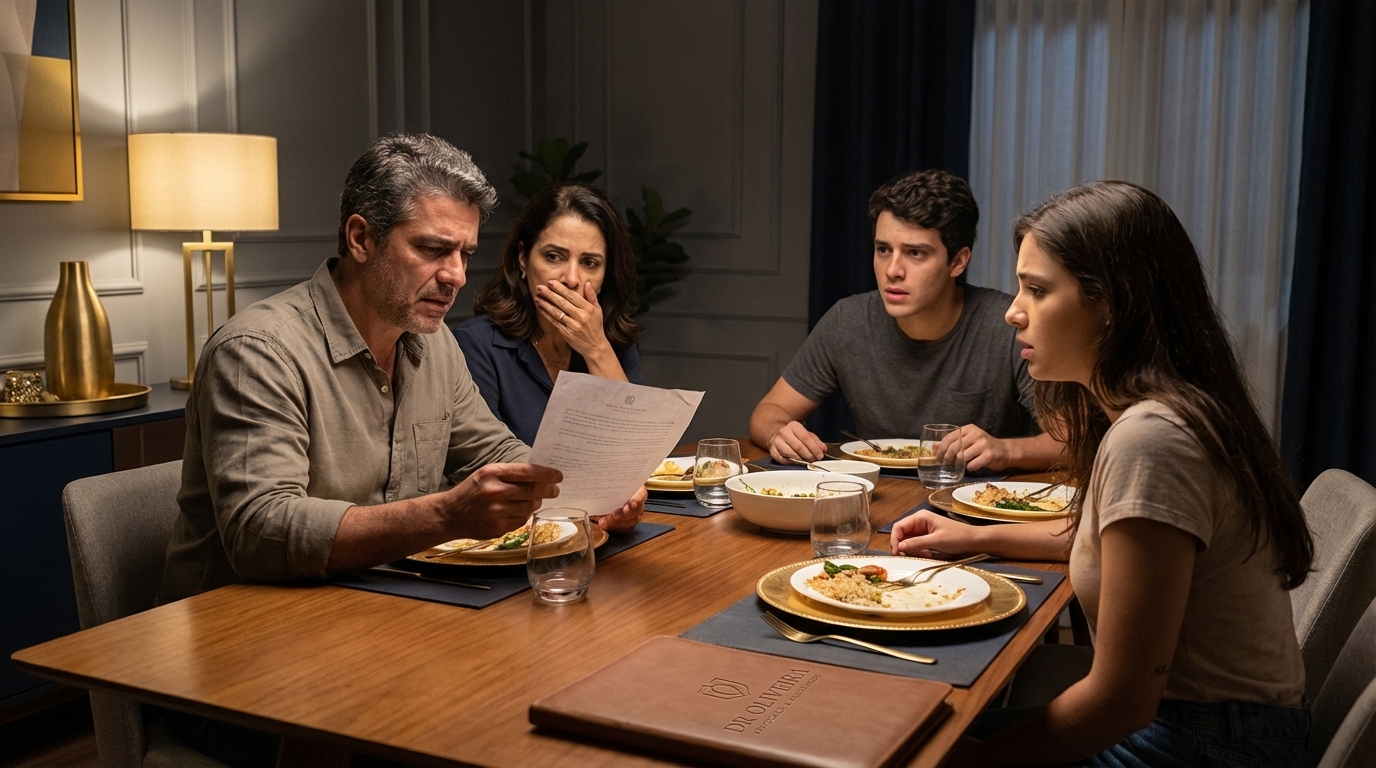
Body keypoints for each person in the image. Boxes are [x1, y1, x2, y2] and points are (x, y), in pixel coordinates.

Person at [891, 181, 1313, 766]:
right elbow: (1109, 546)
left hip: (1203, 743)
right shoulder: (1160, 412)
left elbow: (1121, 701)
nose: (1013, 312)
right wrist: (973, 537)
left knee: (916, 747)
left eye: (1037, 290)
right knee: (924, 733)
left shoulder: (1152, 439)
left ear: (1111, 304)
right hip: (1220, 725)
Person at [160, 135, 644, 607]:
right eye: (433, 250)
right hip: (243, 631)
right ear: (361, 238)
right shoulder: (258, 351)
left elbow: (496, 451)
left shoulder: (433, 343)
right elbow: (261, 532)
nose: (456, 274)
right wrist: (445, 515)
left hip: (379, 605)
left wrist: (591, 490)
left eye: (465, 254)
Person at [748, 169, 1061, 471]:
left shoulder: (1008, 325)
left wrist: (1006, 450)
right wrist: (779, 432)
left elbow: (1073, 444)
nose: (892, 270)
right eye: (883, 249)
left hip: (977, 509)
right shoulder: (848, 320)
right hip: (877, 499)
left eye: (915, 253)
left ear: (958, 261)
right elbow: (768, 412)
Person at [454, 183, 642, 445]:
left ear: (605, 275)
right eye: (554, 257)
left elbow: (634, 449)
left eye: (590, 263)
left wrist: (596, 349)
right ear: (523, 259)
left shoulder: (613, 342)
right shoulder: (476, 344)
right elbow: (485, 459)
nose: (572, 279)